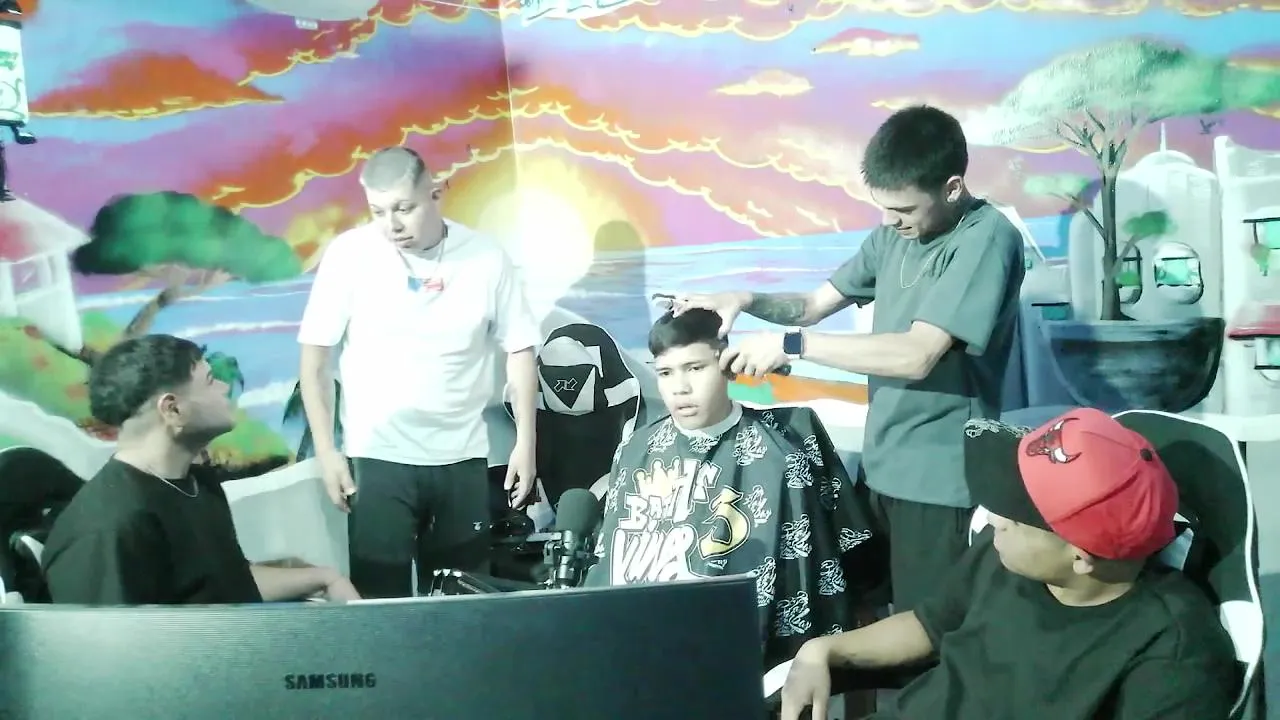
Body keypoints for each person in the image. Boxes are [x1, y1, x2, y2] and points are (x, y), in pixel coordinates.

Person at [675, 105, 1026, 611]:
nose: (890, 221)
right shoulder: (891, 237)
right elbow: (812, 306)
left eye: (903, 209)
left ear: (952, 188)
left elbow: (917, 354)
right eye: (883, 207)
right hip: (879, 471)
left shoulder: (986, 239)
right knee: (862, 615)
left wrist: (791, 346)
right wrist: (744, 299)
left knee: (924, 633)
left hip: (938, 481)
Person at [780, 408, 1238, 720]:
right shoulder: (1003, 557)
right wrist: (824, 650)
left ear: (1081, 557)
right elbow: (928, 625)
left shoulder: (1175, 653)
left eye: (1015, 517)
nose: (993, 518)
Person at [297, 146, 541, 598]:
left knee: (463, 599)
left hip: (462, 458)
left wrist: (526, 442)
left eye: (404, 208)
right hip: (378, 458)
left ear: (437, 193)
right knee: (379, 603)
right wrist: (328, 453)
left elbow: (521, 349)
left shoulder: (485, 256)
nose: (391, 224)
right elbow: (314, 363)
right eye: (378, 211)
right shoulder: (350, 255)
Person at [584, 309, 885, 666]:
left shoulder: (786, 444)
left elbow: (854, 564)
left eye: (695, 368)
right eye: (665, 372)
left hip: (760, 654)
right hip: (645, 648)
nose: (680, 387)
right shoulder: (635, 450)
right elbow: (608, 566)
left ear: (726, 364)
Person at [41, 335, 360, 605]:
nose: (223, 387)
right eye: (209, 381)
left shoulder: (198, 485)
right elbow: (112, 651)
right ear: (173, 409)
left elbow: (225, 585)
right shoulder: (111, 527)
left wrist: (325, 577)